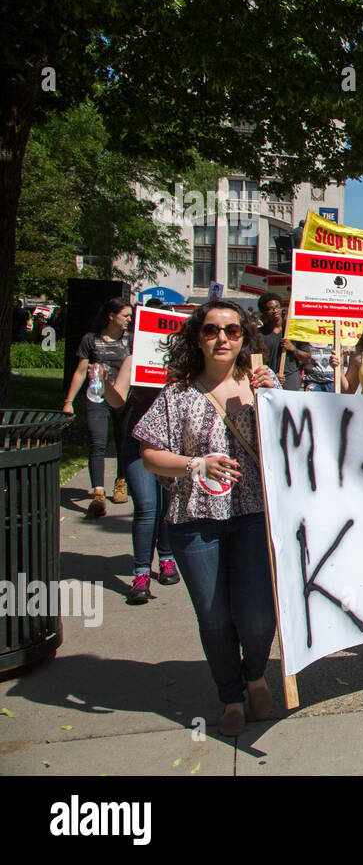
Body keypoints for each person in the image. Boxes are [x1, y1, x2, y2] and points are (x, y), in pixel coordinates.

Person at [134, 300, 280, 737]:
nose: (223, 338)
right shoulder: (177, 395)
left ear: (244, 338)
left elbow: (298, 442)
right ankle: (230, 695)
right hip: (194, 520)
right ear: (197, 338)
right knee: (215, 617)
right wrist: (194, 465)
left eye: (232, 331)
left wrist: (277, 399)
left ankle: (255, 673)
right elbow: (148, 454)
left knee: (257, 616)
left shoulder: (261, 390)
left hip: (254, 515)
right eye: (213, 330)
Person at [104, 355, 178, 604]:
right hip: (138, 443)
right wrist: (105, 384)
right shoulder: (133, 360)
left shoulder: (185, 360)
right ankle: (141, 574)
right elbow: (117, 400)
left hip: (173, 447)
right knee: (147, 507)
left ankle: (167, 559)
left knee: (168, 507)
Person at [63, 297, 134, 515]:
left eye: (130, 316)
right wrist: (68, 402)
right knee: (97, 442)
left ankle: (121, 482)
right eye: (125, 316)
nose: (129, 320)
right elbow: (80, 371)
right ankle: (98, 492)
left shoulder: (131, 340)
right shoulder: (90, 340)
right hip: (97, 397)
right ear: (111, 316)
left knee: (124, 443)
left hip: (124, 398)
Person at [256, 293, 287, 378]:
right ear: (264, 312)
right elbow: (256, 361)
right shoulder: (258, 334)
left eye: (277, 307)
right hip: (267, 379)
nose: (275, 311)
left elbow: (306, 357)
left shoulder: (289, 332)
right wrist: (272, 377)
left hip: (289, 381)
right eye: (271, 308)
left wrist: (293, 348)